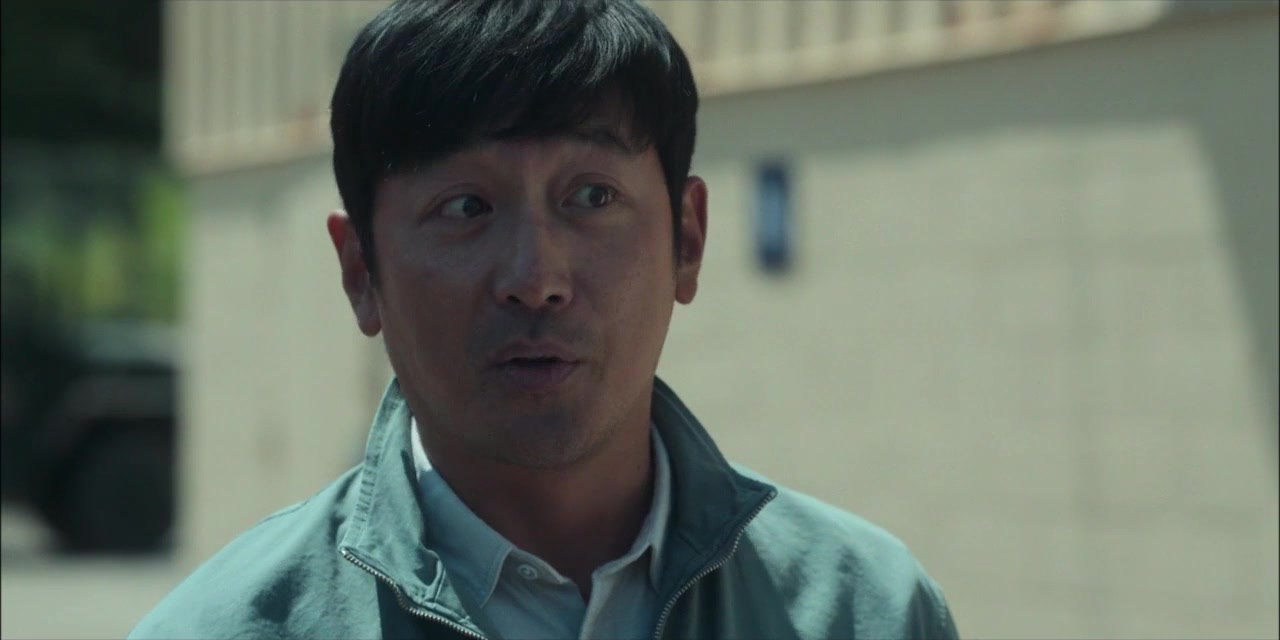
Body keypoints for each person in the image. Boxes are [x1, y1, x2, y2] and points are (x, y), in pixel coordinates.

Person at [130, 1, 959, 638]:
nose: (536, 279)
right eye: (466, 207)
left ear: (688, 241)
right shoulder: (222, 629)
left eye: (592, 197)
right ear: (360, 273)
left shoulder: (865, 611)